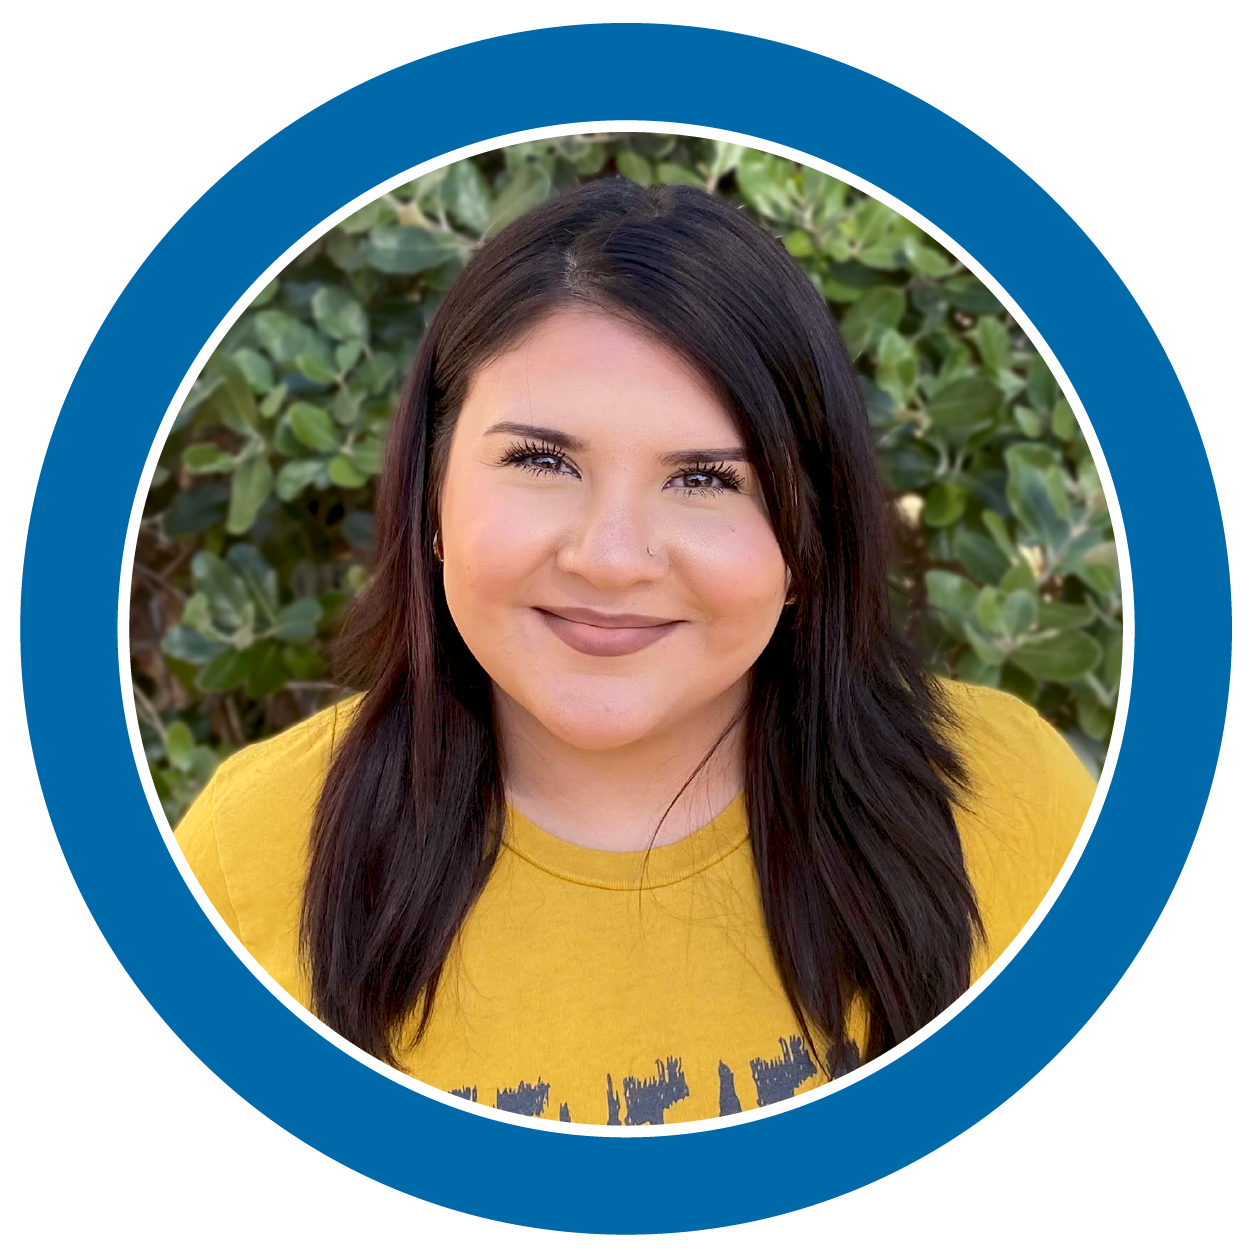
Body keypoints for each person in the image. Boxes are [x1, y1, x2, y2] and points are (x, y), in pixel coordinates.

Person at [174, 176, 1096, 1126]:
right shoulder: (247, 860)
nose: (610, 559)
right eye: (540, 462)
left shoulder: (1010, 806)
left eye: (704, 478)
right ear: (431, 500)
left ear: (806, 538)